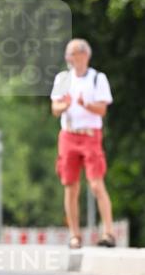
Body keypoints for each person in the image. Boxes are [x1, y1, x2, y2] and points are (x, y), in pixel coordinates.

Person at [50, 38, 116, 249]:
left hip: (90, 135)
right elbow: (55, 108)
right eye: (68, 54)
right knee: (70, 187)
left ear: (84, 55)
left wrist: (85, 104)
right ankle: (75, 235)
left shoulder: (97, 78)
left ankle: (108, 232)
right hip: (68, 134)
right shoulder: (63, 78)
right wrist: (65, 105)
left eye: (74, 53)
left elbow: (102, 110)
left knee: (96, 184)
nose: (70, 58)